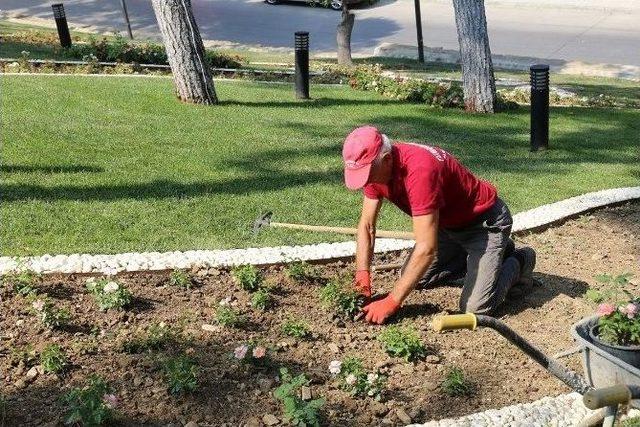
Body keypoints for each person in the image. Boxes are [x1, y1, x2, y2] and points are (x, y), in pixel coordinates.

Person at [342, 126, 536, 324]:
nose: (366, 181)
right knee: (415, 277)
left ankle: (519, 260)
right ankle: (488, 257)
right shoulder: (376, 168)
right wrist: (362, 276)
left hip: (483, 225)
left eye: (368, 174)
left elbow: (426, 249)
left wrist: (391, 302)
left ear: (387, 159)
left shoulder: (419, 171)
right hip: (447, 225)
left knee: (475, 310)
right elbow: (367, 226)